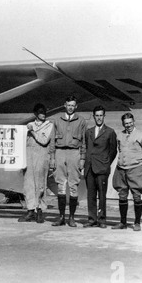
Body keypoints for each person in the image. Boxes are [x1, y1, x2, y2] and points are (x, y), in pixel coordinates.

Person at [49, 95, 87, 227]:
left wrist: (82, 158)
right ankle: (61, 217)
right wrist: (52, 158)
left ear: (76, 107)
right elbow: (52, 140)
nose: (70, 108)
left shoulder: (81, 121)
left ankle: (71, 217)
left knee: (73, 186)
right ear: (64, 105)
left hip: (74, 153)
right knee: (60, 186)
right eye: (68, 105)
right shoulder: (57, 120)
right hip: (59, 152)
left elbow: (83, 142)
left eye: (73, 105)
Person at [112, 113, 142, 232]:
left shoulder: (141, 136)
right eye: (126, 123)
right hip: (121, 169)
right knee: (122, 195)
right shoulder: (120, 136)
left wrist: (137, 164)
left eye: (130, 123)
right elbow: (119, 150)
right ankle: (123, 222)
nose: (128, 125)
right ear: (123, 124)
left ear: (134, 122)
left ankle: (137, 222)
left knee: (137, 196)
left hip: (135, 170)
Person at [18, 103, 54, 223]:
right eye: (40, 112)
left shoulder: (49, 126)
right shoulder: (29, 125)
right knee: (28, 184)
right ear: (35, 114)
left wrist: (32, 131)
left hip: (42, 157)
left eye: (44, 112)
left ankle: (40, 210)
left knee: (40, 184)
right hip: (29, 156)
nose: (42, 115)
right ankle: (30, 210)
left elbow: (44, 140)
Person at [83, 106, 117, 228]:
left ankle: (102, 220)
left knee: (102, 195)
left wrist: (106, 162)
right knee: (90, 195)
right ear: (94, 116)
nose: (99, 118)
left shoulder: (110, 132)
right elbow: (87, 148)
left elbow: (113, 151)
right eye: (96, 115)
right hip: (90, 168)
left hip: (102, 168)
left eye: (101, 115)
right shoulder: (89, 132)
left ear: (104, 116)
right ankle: (92, 219)